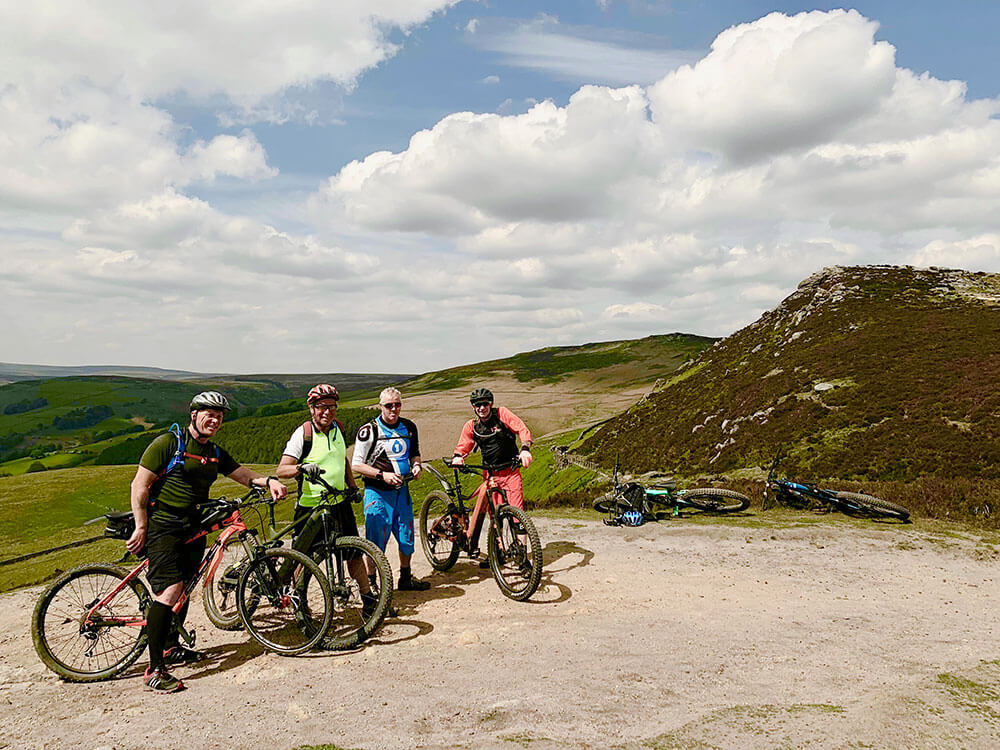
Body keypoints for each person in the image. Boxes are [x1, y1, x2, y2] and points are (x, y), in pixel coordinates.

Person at [127, 391, 287, 693]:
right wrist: (141, 525)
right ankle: (154, 670)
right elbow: (140, 485)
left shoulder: (214, 452)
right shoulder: (168, 444)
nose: (214, 420)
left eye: (219, 416)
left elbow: (243, 475)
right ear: (194, 415)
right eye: (208, 414)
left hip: (193, 526)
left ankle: (170, 647)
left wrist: (269, 481)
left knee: (185, 586)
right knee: (170, 590)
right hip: (163, 526)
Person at [275, 384, 376, 612]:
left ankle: (368, 599)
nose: (327, 412)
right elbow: (282, 469)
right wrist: (301, 468)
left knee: (353, 554)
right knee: (304, 559)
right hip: (311, 508)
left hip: (339, 504)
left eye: (331, 407)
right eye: (321, 407)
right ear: (311, 408)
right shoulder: (304, 433)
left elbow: (343, 460)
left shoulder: (338, 428)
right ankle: (300, 604)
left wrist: (351, 486)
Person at [352, 387, 428, 591]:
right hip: (377, 493)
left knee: (406, 537)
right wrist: (381, 475)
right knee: (375, 542)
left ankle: (405, 578)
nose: (394, 409)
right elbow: (356, 464)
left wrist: (417, 465)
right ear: (380, 406)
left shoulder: (409, 427)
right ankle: (373, 583)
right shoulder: (369, 430)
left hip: (401, 492)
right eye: (389, 405)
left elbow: (415, 453)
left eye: (397, 404)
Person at [451, 388, 533, 566]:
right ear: (473, 407)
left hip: (511, 472)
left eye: (485, 404)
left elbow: (522, 429)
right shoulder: (472, 425)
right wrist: (458, 456)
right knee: (496, 515)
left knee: (518, 516)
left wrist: (525, 449)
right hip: (491, 475)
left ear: (491, 404)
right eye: (477, 405)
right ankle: (499, 553)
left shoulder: (502, 414)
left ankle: (523, 558)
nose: (481, 407)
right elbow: (463, 445)